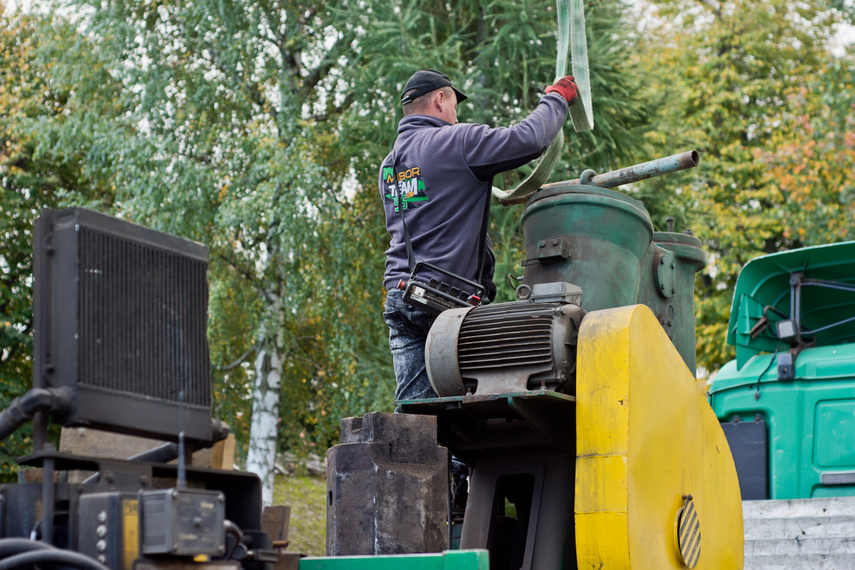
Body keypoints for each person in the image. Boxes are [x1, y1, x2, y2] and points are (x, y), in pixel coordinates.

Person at [380, 69, 578, 405]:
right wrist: (557, 97)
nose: (456, 116)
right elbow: (528, 139)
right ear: (440, 99)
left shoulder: (390, 165)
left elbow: (436, 222)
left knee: (417, 419)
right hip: (444, 304)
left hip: (402, 298)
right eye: (455, 104)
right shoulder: (453, 142)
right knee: (469, 410)